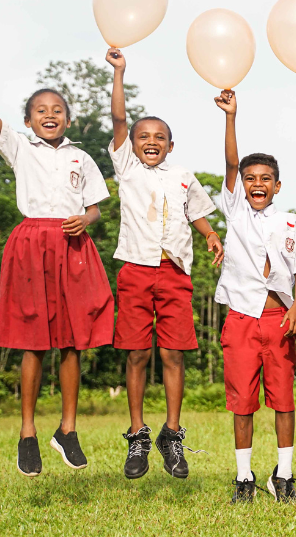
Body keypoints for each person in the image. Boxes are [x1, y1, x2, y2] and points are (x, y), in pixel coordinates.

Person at [0, 39, 114, 476]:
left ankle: (67, 429)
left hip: (73, 245)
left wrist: (85, 221)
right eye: (41, 110)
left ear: (68, 118)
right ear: (27, 120)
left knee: (74, 339)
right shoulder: (19, 147)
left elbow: (95, 205)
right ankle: (28, 432)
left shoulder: (81, 156)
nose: (50, 115)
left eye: (57, 109)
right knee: (33, 340)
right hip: (32, 243)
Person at [105, 48, 224, 481]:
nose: (151, 141)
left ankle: (171, 433)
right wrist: (120, 73)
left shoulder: (184, 175)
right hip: (135, 269)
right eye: (143, 136)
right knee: (137, 355)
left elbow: (196, 214)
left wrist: (210, 234)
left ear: (171, 145)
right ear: (131, 144)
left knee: (174, 353)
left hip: (174, 272)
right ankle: (138, 433)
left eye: (159, 137)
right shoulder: (128, 169)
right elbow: (119, 120)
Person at [213, 89, 296, 504]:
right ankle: (243, 478)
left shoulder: (293, 222)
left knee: (284, 400)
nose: (256, 184)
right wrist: (231, 117)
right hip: (240, 318)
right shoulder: (235, 213)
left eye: (264, 179)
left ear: (277, 185)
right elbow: (231, 163)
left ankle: (284, 475)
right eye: (251, 179)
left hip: (279, 320)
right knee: (242, 403)